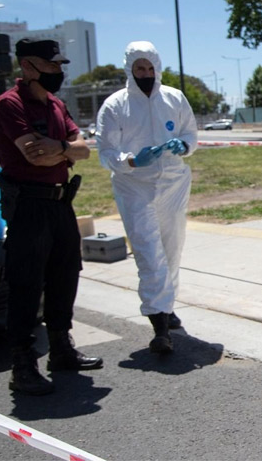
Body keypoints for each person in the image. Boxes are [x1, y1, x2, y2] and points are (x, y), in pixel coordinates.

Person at [0, 38, 103, 396]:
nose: (58, 71)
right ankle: (22, 364)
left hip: (59, 203)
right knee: (26, 284)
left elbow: (85, 150)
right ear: (27, 66)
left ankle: (61, 349)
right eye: (51, 65)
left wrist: (62, 150)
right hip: (29, 205)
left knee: (64, 275)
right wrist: (65, 151)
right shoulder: (10, 105)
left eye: (59, 65)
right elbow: (35, 156)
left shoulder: (56, 104)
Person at [97, 41, 197, 354]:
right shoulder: (115, 106)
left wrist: (183, 145)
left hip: (172, 183)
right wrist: (131, 161)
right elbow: (106, 152)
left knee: (171, 250)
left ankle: (166, 307)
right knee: (148, 254)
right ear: (129, 69)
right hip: (134, 185)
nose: (146, 74)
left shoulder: (174, 98)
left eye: (150, 68)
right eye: (140, 68)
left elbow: (190, 134)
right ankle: (159, 326)